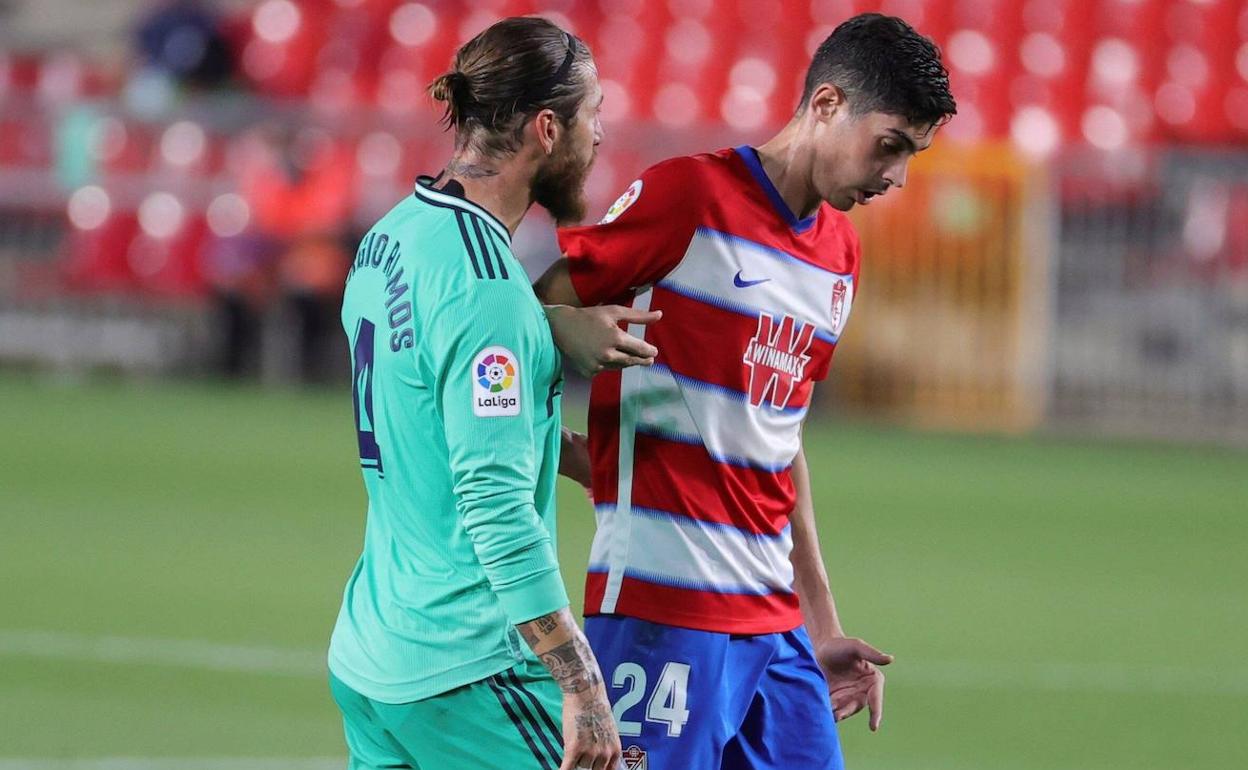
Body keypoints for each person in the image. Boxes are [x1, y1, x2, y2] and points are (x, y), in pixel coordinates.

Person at [534, 13, 957, 770]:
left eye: (912, 156)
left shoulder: (839, 254)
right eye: (890, 146)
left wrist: (820, 621)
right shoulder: (687, 197)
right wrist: (546, 437)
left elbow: (779, 439)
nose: (895, 176)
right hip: (661, 610)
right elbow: (531, 312)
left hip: (775, 626)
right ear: (826, 105)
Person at [327, 17, 658, 770]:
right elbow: (497, 510)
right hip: (469, 667)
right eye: (592, 114)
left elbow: (436, 405)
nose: (601, 135)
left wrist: (543, 337)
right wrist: (583, 688)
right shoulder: (489, 292)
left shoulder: (391, 238)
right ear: (548, 129)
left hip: (376, 654)